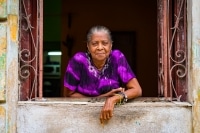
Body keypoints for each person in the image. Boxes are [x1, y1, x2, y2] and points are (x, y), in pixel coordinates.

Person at [64, 25, 142, 124]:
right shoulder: (78, 60)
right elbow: (68, 95)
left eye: (105, 43)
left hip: (112, 119)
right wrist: (103, 97)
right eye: (95, 43)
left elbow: (137, 90)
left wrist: (114, 99)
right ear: (88, 46)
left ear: (111, 45)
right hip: (80, 118)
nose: (100, 48)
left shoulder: (117, 57)